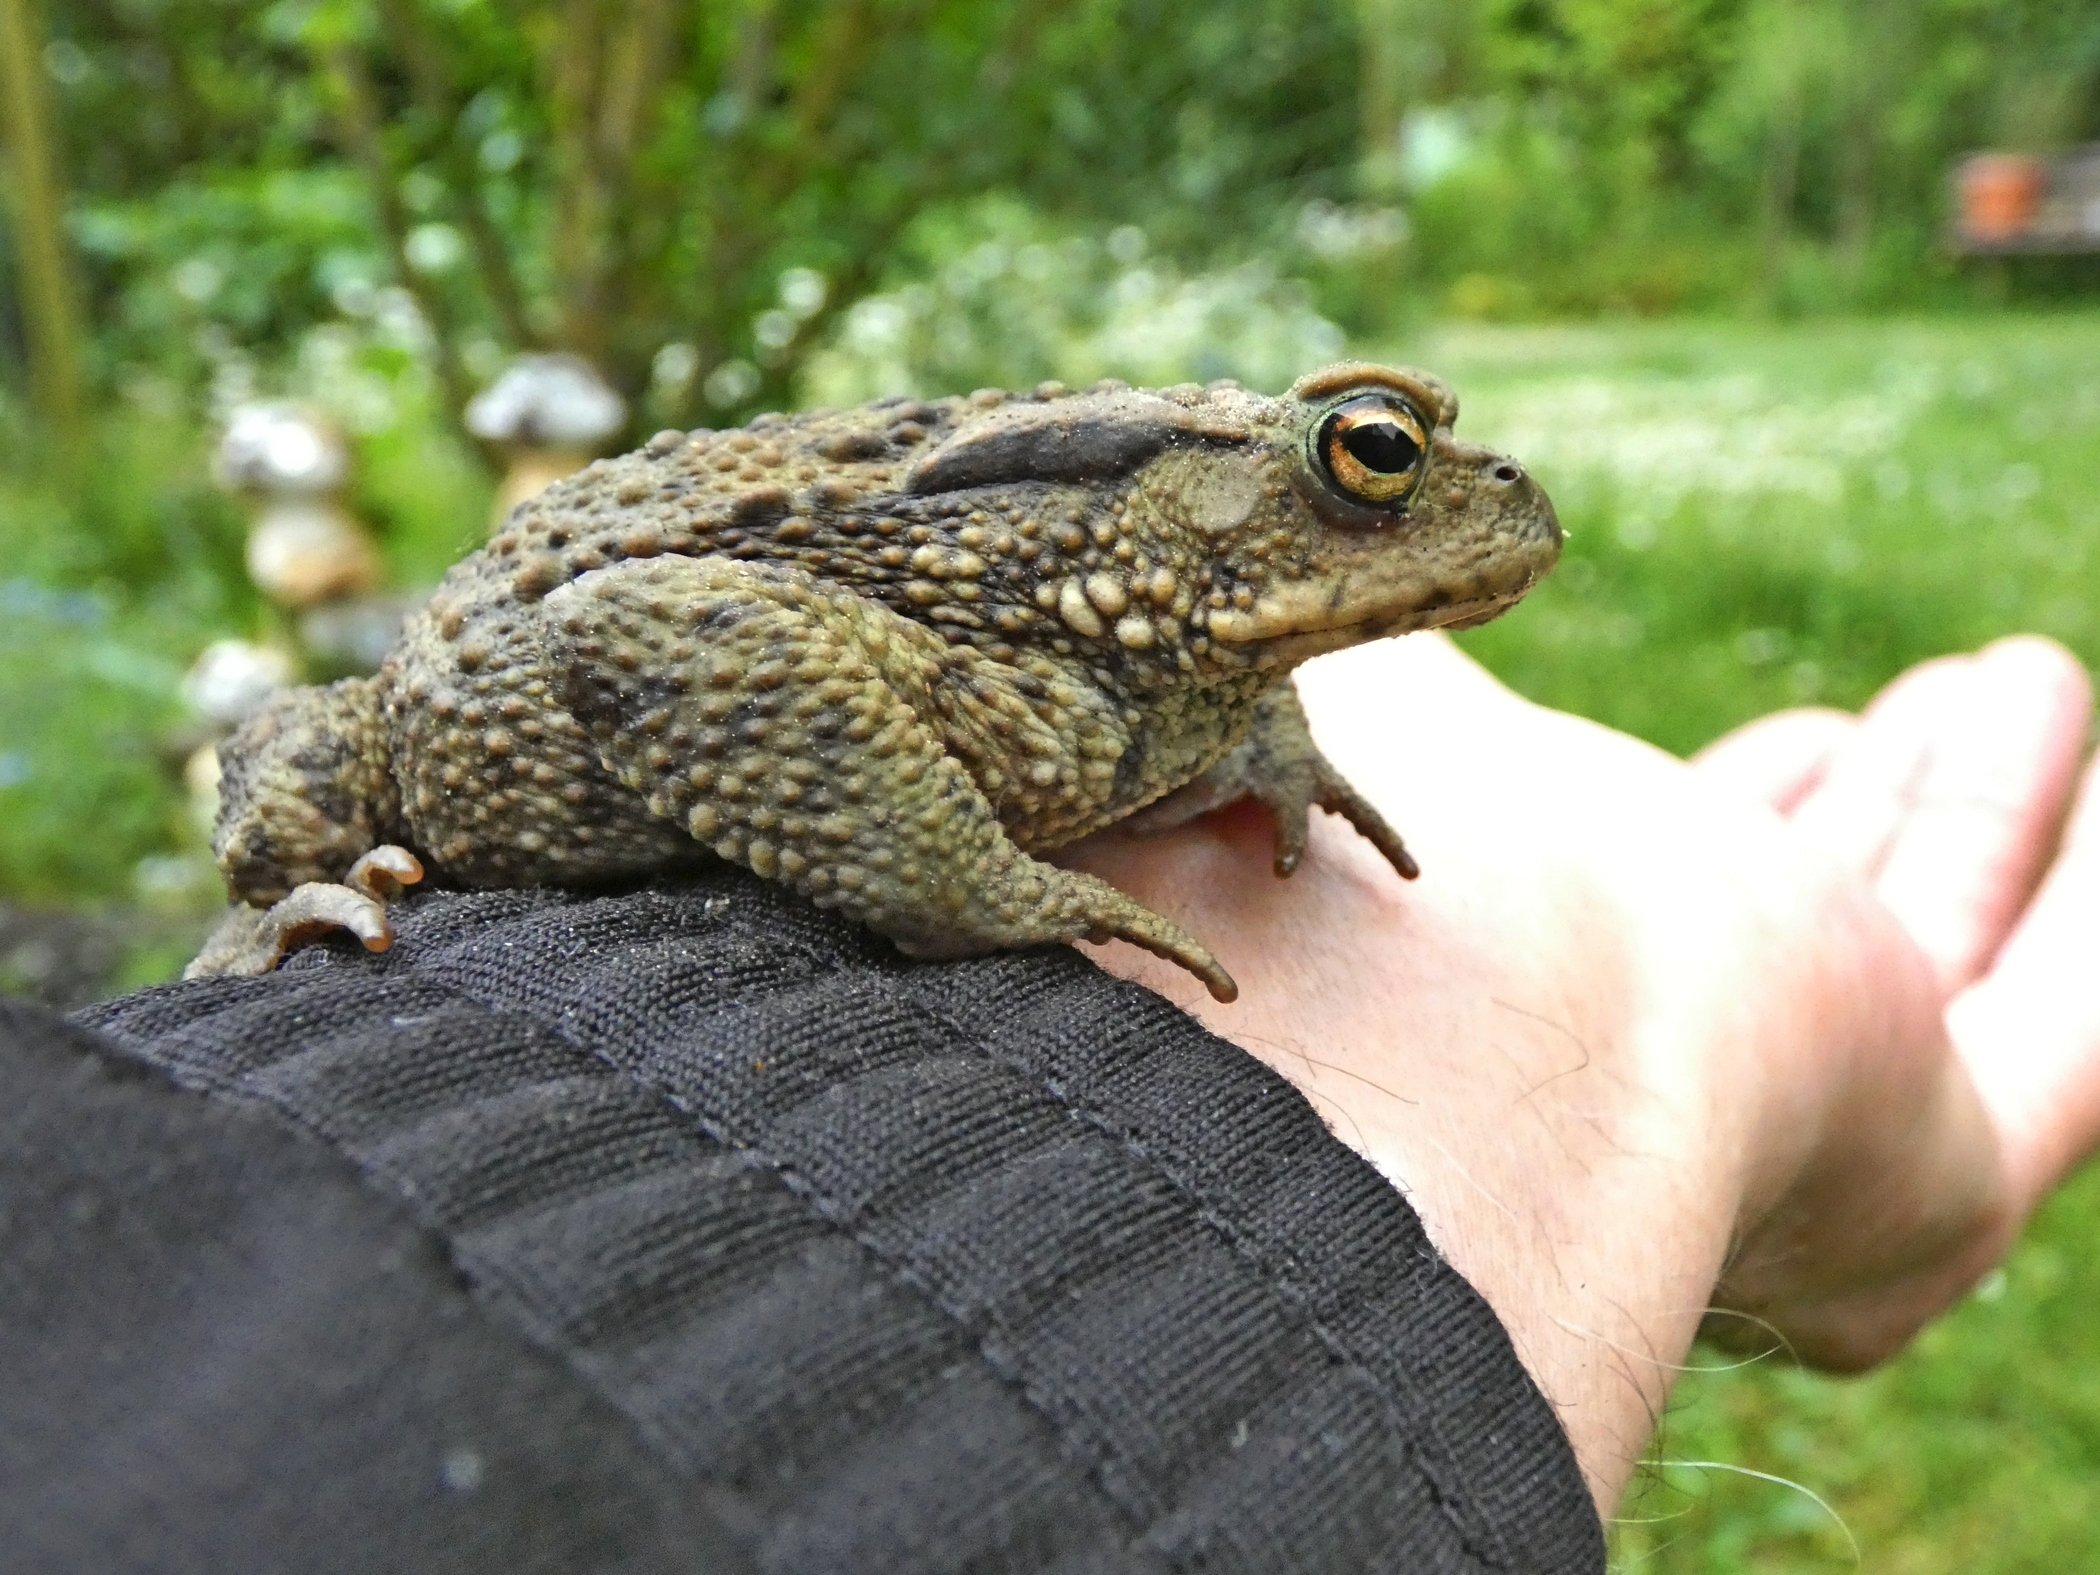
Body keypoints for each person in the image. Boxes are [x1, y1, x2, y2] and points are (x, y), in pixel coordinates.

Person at [1, 631, 2093, 1573]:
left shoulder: (1130, 633)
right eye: (1367, 462)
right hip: (537, 672)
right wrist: (986, 894)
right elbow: (751, 667)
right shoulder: (992, 607)